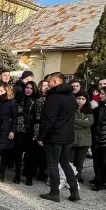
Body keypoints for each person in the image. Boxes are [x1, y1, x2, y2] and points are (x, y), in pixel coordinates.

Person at [37, 72, 80, 203]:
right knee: (65, 163)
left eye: (49, 81)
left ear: (55, 82)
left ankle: (54, 192)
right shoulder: (71, 95)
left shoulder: (54, 97)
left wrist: (41, 136)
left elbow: (49, 119)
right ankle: (74, 191)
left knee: (53, 164)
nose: (48, 84)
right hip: (68, 135)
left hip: (55, 136)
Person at [91, 86, 106, 191]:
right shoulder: (98, 107)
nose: (99, 96)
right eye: (99, 93)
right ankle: (99, 180)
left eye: (102, 94)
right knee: (98, 160)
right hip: (97, 138)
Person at [14, 81, 37, 185]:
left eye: (31, 88)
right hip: (19, 130)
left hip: (30, 130)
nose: (28, 90)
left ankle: (29, 177)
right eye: (27, 87)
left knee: (30, 156)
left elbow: (38, 118)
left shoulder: (36, 101)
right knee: (18, 154)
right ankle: (17, 175)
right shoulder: (19, 99)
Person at [70, 90, 93, 183]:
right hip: (72, 139)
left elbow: (89, 123)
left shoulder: (89, 111)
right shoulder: (71, 109)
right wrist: (82, 122)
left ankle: (77, 178)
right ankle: (69, 178)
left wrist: (75, 120)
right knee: (70, 161)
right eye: (78, 98)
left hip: (84, 140)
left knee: (79, 162)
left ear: (86, 100)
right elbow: (69, 122)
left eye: (83, 99)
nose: (80, 101)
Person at [32, 79, 50, 181]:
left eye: (48, 85)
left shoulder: (51, 99)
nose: (46, 87)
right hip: (37, 125)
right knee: (37, 149)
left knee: (45, 150)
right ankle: (37, 169)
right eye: (44, 86)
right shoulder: (37, 99)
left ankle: (44, 170)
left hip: (46, 126)